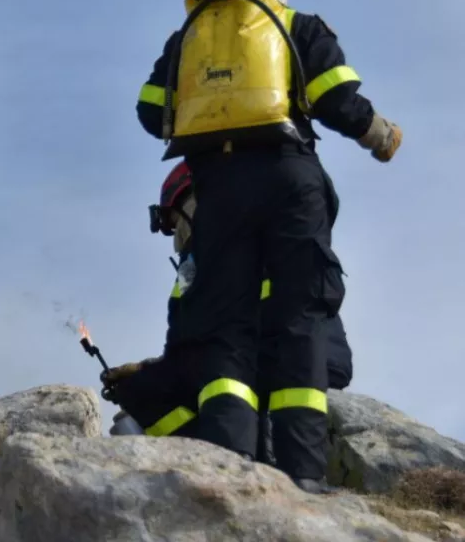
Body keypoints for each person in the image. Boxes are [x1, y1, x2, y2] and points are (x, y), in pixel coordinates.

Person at [133, 0, 401, 492]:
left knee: (225, 326)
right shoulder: (296, 25)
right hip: (289, 177)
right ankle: (302, 476)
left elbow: (149, 111)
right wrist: (382, 135)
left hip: (217, 188)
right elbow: (337, 101)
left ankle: (231, 468)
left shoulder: (188, 33)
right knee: (300, 317)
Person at [103, 161, 354, 467]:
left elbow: (224, 341)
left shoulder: (246, 246)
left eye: (177, 221)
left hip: (284, 365)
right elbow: (188, 349)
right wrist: (146, 372)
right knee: (144, 394)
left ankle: (228, 462)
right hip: (266, 360)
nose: (177, 237)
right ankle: (192, 461)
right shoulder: (205, 263)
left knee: (202, 386)